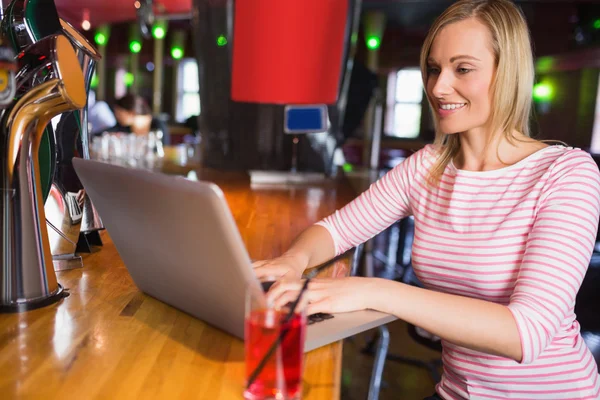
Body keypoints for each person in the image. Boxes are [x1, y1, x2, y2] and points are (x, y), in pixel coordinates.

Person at [253, 0, 600, 398]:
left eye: (463, 69)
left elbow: (526, 333)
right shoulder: (428, 167)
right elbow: (335, 230)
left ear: (508, 74)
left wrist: (375, 290)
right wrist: (292, 260)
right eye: (434, 68)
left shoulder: (567, 173)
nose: (437, 87)